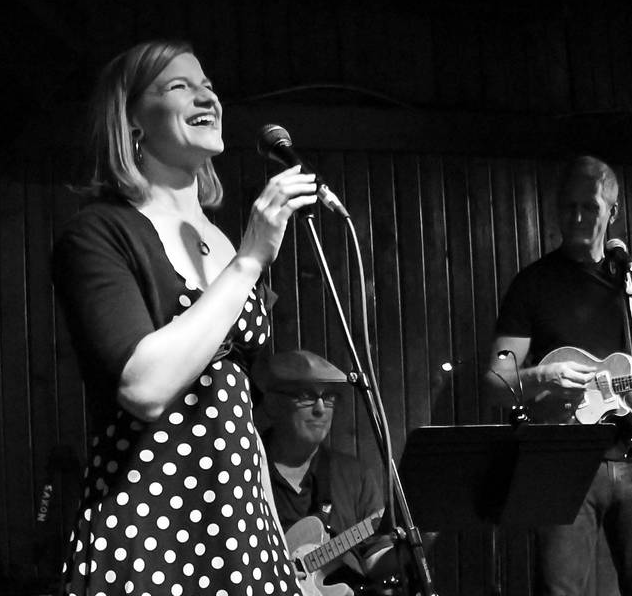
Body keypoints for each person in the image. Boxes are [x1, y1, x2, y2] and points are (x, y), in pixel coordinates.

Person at [52, 39, 316, 596]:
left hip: (246, 528)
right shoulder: (99, 234)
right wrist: (249, 260)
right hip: (152, 523)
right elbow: (144, 387)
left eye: (208, 85)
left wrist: (271, 527)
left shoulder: (226, 242)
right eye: (178, 86)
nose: (207, 96)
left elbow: (236, 406)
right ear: (132, 123)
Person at [484, 155, 632, 596]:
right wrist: (543, 375)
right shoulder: (532, 285)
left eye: (590, 207)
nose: (577, 217)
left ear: (612, 212)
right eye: (568, 207)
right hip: (561, 463)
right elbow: (496, 379)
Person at [256, 349, 393, 593]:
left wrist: (409, 548)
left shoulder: (355, 476)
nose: (320, 409)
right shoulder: (246, 473)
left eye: (328, 397)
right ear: (272, 404)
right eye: (306, 396)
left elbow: (375, 559)